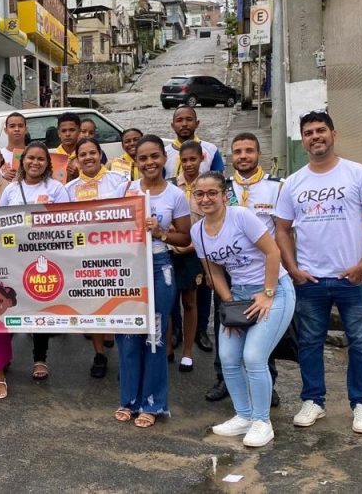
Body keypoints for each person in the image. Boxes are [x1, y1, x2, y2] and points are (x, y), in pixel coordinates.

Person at [275, 111, 362, 435]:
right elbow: (281, 229)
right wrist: (293, 268)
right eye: (308, 132)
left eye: (320, 130)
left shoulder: (357, 173)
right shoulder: (294, 182)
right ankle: (313, 401)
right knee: (309, 343)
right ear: (303, 139)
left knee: (361, 344)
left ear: (333, 134)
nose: (315, 136)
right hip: (311, 281)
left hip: (353, 279)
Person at [191, 171, 296, 448]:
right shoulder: (197, 230)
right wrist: (229, 305)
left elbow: (273, 252)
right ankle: (245, 415)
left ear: (224, 195)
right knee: (227, 356)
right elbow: (213, 269)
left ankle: (263, 422)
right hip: (238, 296)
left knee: (253, 356)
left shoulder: (241, 216)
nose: (206, 198)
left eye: (212, 192)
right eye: (199, 194)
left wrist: (267, 294)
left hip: (274, 289)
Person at [115, 135, 192, 428]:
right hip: (130, 266)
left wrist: (160, 231)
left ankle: (154, 403)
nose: (149, 163)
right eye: (143, 158)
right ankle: (129, 400)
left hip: (160, 266)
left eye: (154, 157)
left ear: (164, 159)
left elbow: (185, 236)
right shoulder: (126, 190)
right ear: (136, 161)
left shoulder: (175, 195)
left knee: (155, 334)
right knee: (127, 333)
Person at [207, 132, 284, 403]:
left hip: (264, 267)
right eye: (238, 151)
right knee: (226, 322)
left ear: (258, 154)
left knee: (263, 325)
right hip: (228, 265)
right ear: (231, 156)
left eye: (249, 151)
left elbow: (283, 231)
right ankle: (223, 378)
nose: (243, 156)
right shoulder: (223, 188)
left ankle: (268, 380)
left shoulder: (275, 187)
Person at [0, 141, 70, 381]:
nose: (35, 163)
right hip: (13, 259)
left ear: (48, 164)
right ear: (22, 161)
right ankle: (3, 357)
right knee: (10, 307)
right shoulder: (11, 190)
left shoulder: (57, 188)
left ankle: (40, 359)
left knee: (41, 307)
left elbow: (66, 220)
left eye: (40, 159)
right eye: (31, 158)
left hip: (44, 258)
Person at [65, 137, 127, 378]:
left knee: (120, 304)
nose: (88, 157)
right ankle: (99, 353)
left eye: (93, 153)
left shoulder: (120, 181)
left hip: (118, 253)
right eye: (83, 154)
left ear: (100, 154)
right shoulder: (69, 190)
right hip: (85, 256)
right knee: (93, 306)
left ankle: (124, 354)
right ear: (77, 159)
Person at [167, 141, 207, 373]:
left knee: (190, 302)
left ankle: (188, 353)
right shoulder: (172, 187)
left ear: (201, 158)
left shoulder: (208, 186)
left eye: (193, 159)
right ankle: (169, 348)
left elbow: (215, 221)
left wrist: (192, 246)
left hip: (195, 252)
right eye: (185, 160)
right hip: (171, 250)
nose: (189, 164)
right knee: (169, 302)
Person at [164, 106, 225, 178]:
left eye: (189, 119)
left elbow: (219, 181)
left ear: (197, 124)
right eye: (179, 120)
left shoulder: (211, 150)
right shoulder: (164, 154)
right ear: (173, 126)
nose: (184, 124)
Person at [52, 112, 82, 183]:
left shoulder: (86, 155)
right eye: (64, 131)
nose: (67, 134)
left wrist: (79, 175)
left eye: (72, 130)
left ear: (79, 131)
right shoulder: (52, 158)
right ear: (59, 133)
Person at [0, 112, 29, 181]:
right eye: (12, 126)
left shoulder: (34, 154)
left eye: (20, 126)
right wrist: (2, 177)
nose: (17, 129)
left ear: (26, 129)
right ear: (6, 130)